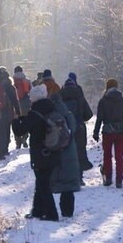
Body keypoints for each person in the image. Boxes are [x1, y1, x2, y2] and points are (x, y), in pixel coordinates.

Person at [12, 84, 60, 221]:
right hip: (53, 150)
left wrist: (15, 120)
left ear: (34, 98)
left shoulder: (35, 113)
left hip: (40, 154)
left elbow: (19, 131)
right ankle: (37, 211)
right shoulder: (51, 108)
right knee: (41, 182)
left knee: (43, 184)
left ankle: (52, 214)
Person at [44, 79, 81, 218]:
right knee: (68, 187)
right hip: (69, 151)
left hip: (55, 152)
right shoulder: (67, 114)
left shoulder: (49, 115)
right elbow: (74, 128)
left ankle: (54, 210)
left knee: (56, 180)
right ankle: (68, 212)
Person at [92, 78, 123, 188]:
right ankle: (119, 180)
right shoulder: (122, 100)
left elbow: (99, 119)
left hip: (107, 132)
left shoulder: (103, 101)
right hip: (120, 132)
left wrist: (96, 132)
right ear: (117, 87)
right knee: (119, 156)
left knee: (107, 156)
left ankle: (108, 178)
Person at [60, 77, 93, 186]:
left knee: (66, 152)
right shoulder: (80, 96)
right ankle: (79, 177)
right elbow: (89, 114)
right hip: (79, 128)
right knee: (80, 152)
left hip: (65, 129)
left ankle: (69, 177)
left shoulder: (60, 96)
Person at [12, 66, 32, 149]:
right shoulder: (27, 81)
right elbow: (32, 92)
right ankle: (24, 138)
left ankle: (18, 142)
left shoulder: (12, 82)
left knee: (16, 122)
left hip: (16, 104)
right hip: (26, 103)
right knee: (26, 121)